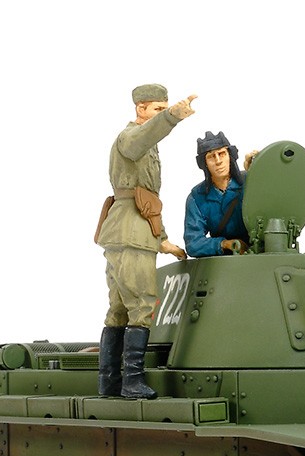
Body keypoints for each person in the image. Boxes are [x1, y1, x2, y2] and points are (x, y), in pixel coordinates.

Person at [95, 84, 196, 399]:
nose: (160, 114)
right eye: (156, 109)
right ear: (141, 108)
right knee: (142, 305)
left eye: (164, 108)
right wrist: (172, 116)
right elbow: (145, 138)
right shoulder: (131, 138)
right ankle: (131, 382)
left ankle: (110, 382)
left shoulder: (145, 144)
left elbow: (147, 201)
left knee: (119, 310)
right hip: (131, 234)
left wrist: (162, 240)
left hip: (130, 230)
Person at [184, 131, 256, 257]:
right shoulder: (197, 197)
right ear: (204, 163)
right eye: (211, 156)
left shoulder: (250, 181)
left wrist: (259, 168)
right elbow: (193, 243)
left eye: (222, 154)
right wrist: (223, 244)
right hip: (223, 260)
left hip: (260, 252)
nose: (218, 161)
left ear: (230, 156)